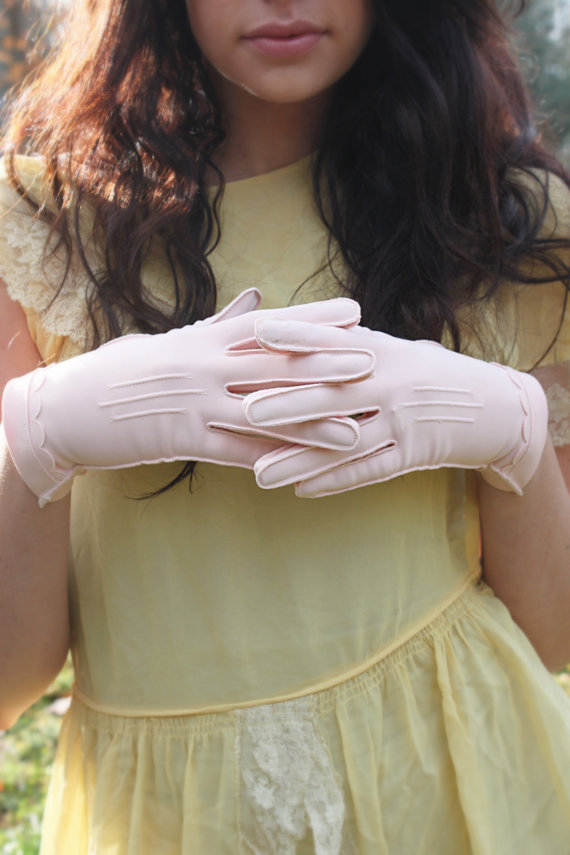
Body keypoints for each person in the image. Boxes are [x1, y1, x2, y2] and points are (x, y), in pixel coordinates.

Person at [0, 0, 569, 852]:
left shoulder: (496, 213)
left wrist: (515, 428)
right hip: (170, 822)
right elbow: (8, 682)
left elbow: (554, 633)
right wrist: (35, 441)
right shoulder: (44, 226)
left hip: (459, 785)